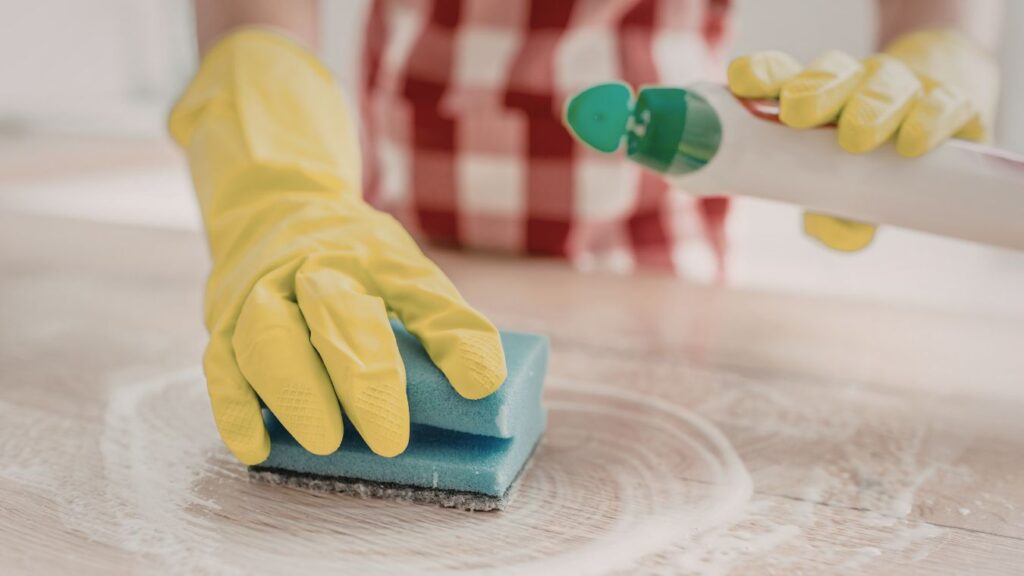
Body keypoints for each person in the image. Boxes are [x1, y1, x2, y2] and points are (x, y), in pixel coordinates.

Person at [169, 0, 1002, 465]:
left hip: (664, 268)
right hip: (406, 256)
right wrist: (279, 183)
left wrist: (943, 48)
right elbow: (257, 16)